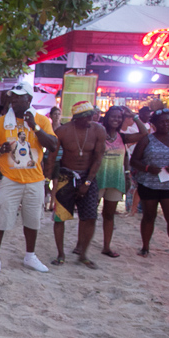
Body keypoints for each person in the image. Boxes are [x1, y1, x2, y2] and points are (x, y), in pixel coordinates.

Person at [0, 81, 57, 275]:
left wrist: (35, 127)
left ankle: (30, 256)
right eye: (12, 97)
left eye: (19, 97)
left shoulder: (41, 120)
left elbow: (52, 145)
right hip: (10, 179)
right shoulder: (1, 122)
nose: (14, 101)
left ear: (29, 99)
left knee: (32, 220)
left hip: (35, 179)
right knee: (0, 218)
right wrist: (0, 150)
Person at [47, 101, 106, 269]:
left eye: (91, 116)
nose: (90, 119)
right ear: (76, 118)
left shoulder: (98, 130)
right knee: (60, 217)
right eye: (86, 117)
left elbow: (98, 158)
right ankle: (60, 254)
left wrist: (87, 182)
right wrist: (49, 179)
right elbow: (52, 157)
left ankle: (83, 254)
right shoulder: (63, 131)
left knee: (90, 217)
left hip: (88, 175)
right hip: (66, 176)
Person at [130, 107, 169, 260]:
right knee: (148, 216)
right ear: (154, 124)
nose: (165, 124)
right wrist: (147, 168)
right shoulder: (147, 140)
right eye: (161, 122)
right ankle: (145, 247)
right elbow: (134, 160)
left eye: (168, 121)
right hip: (149, 183)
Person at [96, 106, 148, 258]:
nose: (116, 119)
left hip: (115, 180)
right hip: (98, 179)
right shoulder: (99, 134)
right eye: (113, 116)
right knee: (90, 214)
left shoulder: (122, 137)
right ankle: (81, 245)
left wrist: (134, 116)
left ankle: (106, 247)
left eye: (119, 117)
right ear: (107, 117)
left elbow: (144, 133)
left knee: (109, 215)